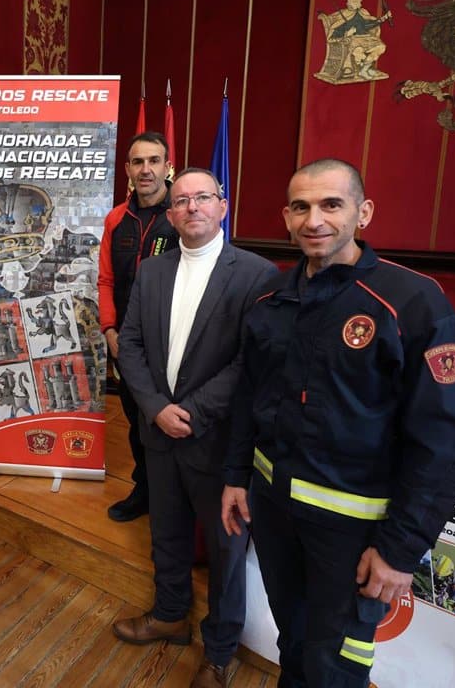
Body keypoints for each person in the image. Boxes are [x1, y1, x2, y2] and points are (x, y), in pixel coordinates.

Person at [221, 158, 455, 688]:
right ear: (286, 218)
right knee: (291, 641)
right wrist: (233, 476)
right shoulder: (271, 299)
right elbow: (249, 396)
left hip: (354, 537)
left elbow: (446, 442)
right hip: (275, 515)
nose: (315, 219)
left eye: (331, 205)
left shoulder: (412, 301)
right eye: (301, 207)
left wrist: (400, 551)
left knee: (335, 665)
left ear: (363, 213)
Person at [114, 167, 277, 688]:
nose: (191, 208)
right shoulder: (152, 270)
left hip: (220, 443)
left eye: (202, 198)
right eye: (181, 201)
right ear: (170, 213)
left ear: (222, 206)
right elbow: (131, 346)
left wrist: (194, 411)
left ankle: (220, 651)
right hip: (158, 433)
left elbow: (252, 362)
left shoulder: (257, 274)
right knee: (167, 533)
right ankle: (169, 615)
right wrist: (155, 407)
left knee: (227, 554)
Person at [98, 131, 179, 522]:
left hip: (172, 342)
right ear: (128, 169)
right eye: (137, 162)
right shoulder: (116, 219)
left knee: (170, 421)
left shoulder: (182, 215)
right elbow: (106, 281)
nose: (145, 169)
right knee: (136, 422)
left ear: (167, 166)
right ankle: (144, 489)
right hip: (127, 345)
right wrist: (110, 331)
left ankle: (172, 497)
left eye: (153, 161)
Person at [328, 0, 392, 80]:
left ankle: (364, 69)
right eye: (359, 1)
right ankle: (356, 68)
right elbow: (335, 31)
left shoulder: (362, 12)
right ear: (352, 1)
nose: (361, 2)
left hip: (366, 38)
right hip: (353, 40)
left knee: (381, 47)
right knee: (359, 50)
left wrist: (384, 18)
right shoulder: (343, 14)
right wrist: (347, 33)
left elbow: (369, 25)